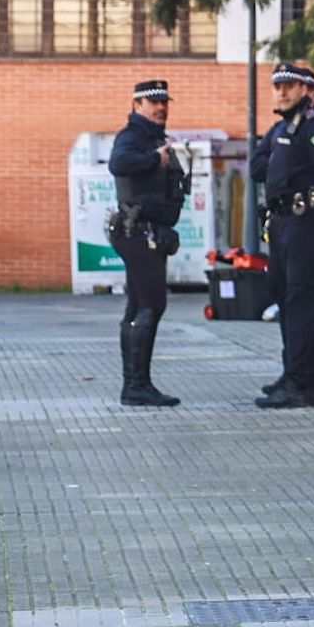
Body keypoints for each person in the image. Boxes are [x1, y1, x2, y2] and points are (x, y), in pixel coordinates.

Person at [254, 63, 314, 409]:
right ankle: (298, 373)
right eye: (277, 85)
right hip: (281, 222)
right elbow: (256, 167)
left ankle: (304, 380)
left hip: (305, 222)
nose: (281, 91)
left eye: (290, 85)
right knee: (285, 296)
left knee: (302, 300)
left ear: (306, 90)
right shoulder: (283, 127)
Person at [107, 79, 186, 407]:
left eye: (164, 102)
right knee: (151, 305)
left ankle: (135, 385)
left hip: (147, 232)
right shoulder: (133, 137)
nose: (160, 107)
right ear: (136, 105)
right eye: (152, 102)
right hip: (139, 233)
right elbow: (118, 164)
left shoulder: (152, 137)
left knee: (139, 306)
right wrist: (154, 159)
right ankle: (137, 385)